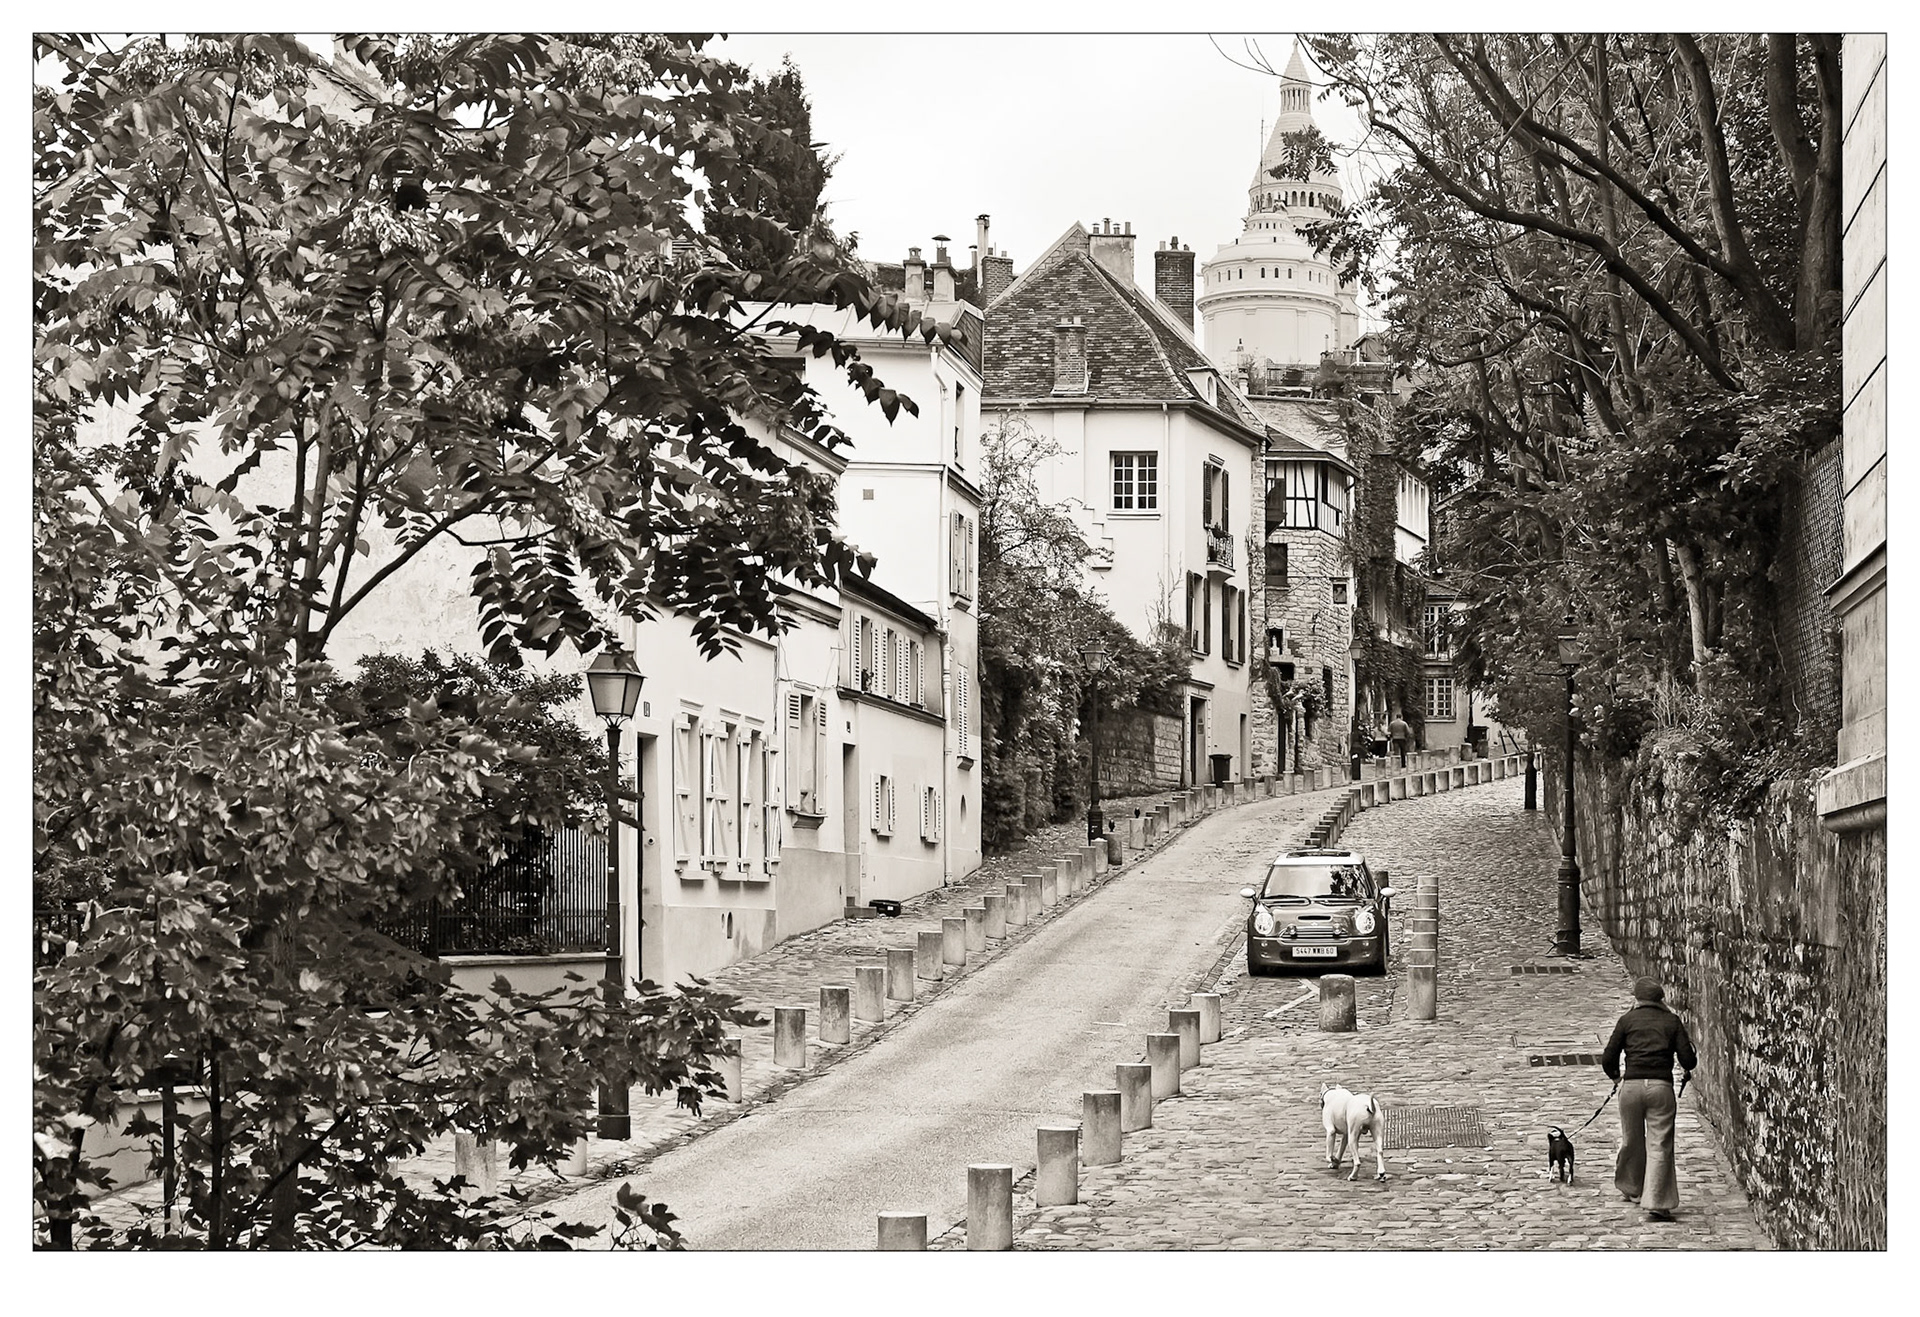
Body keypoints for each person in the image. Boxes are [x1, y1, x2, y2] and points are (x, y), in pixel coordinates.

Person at [1602, 976, 1697, 1222]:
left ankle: (1632, 1187)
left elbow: (1608, 1057)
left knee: (1631, 1139)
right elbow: (1688, 1061)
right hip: (1660, 1087)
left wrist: (1615, 1077)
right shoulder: (1671, 1021)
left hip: (1631, 1087)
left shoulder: (1627, 1021)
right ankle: (1656, 1202)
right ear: (1660, 998)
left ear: (1637, 998)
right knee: (1659, 1144)